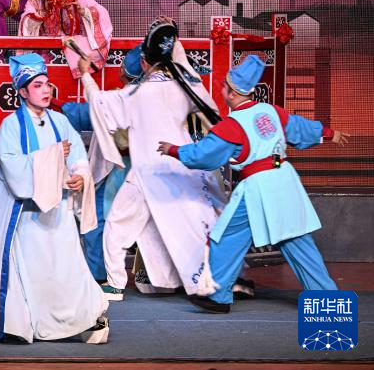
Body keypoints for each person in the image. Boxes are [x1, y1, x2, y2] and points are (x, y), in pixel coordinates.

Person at [158, 54, 349, 313]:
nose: (222, 90)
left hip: (259, 188)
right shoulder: (271, 112)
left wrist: (173, 150)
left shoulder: (233, 125)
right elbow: (299, 128)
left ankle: (218, 295)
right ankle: (328, 300)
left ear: (233, 93)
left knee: (225, 237)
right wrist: (329, 133)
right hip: (285, 181)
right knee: (297, 241)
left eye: (225, 87)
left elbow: (203, 155)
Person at [80, 17, 227, 301]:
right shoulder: (186, 84)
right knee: (186, 227)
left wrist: (86, 74)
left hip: (147, 173)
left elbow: (100, 105)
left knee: (117, 225)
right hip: (182, 168)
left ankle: (115, 284)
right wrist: (173, 37)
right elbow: (208, 106)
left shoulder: (138, 93)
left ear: (144, 63)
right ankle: (203, 278)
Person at [0, 53, 109, 344]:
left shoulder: (60, 121)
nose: (46, 90)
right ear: (23, 92)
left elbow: (77, 155)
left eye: (47, 84)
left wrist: (79, 175)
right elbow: (13, 168)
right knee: (32, 271)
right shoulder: (11, 125)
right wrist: (53, 156)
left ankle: (83, 319)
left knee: (64, 268)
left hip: (58, 210)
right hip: (24, 214)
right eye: (37, 86)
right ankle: (23, 324)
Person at [52, 44, 142, 284]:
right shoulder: (156, 98)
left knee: (99, 217)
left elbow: (85, 112)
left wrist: (55, 101)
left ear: (124, 71)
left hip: (118, 170)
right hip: (146, 170)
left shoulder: (116, 100)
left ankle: (100, 275)